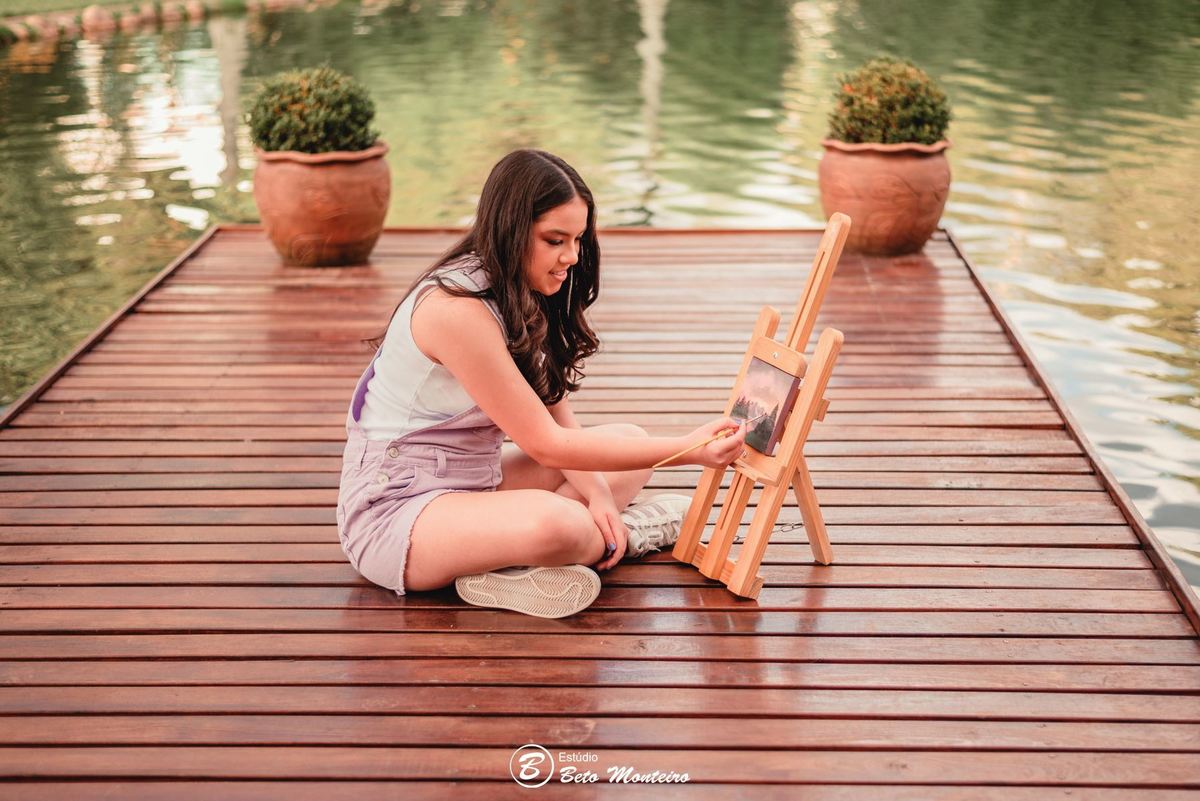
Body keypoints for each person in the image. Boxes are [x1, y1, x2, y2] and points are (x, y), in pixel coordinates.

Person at [336, 149, 747, 618]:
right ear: (511, 230)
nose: (571, 256)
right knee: (561, 524)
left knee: (627, 444)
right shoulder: (456, 311)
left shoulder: (516, 289)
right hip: (397, 513)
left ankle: (501, 567)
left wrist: (598, 496)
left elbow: (560, 422)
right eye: (555, 240)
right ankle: (626, 535)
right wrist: (685, 450)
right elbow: (547, 446)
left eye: (576, 240)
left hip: (472, 483)